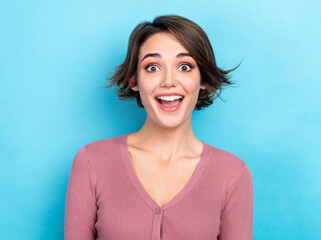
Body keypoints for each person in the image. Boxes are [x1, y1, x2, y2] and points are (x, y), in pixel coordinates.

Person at [64, 14, 253, 240]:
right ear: (134, 80)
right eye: (153, 67)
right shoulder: (91, 162)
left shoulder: (232, 174)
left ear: (203, 79)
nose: (168, 81)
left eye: (185, 66)